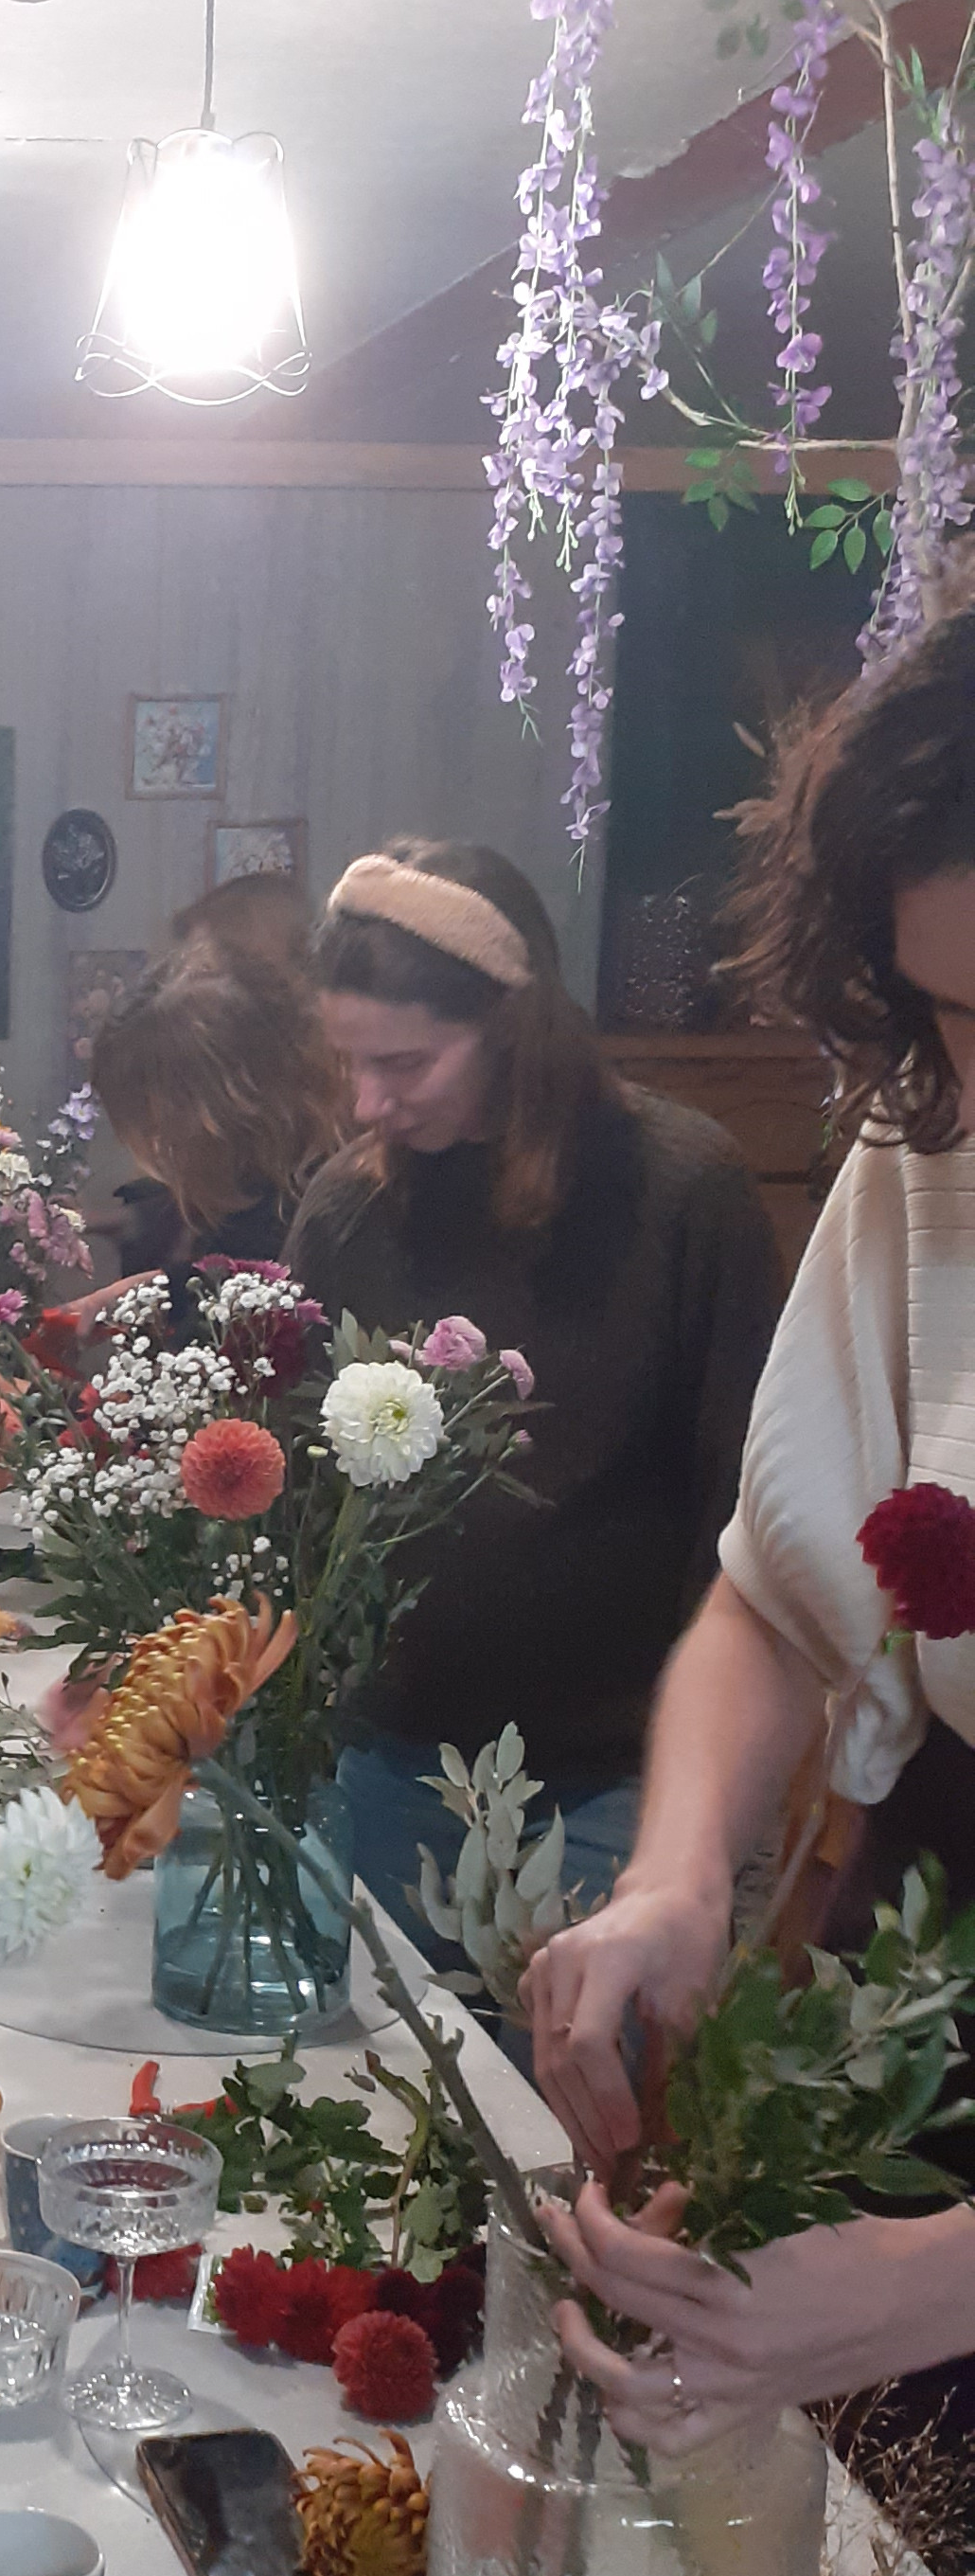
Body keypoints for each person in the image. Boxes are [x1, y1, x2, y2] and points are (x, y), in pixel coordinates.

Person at [527, 610, 975, 2496]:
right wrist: (681, 1875)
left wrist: (935, 2285)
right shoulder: (938, 1136)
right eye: (951, 1015)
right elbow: (776, 1595)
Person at [286, 835, 782, 1957]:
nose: (368, 1104)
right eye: (349, 1063)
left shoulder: (683, 1191)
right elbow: (302, 1503)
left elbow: (745, 1519)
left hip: (607, 1794)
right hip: (382, 1766)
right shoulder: (345, 1213)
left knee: (569, 2128)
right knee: (376, 2119)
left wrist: (691, 1828)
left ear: (517, 1031)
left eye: (406, 1065)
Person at [80, 924, 347, 1302]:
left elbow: (258, 1302)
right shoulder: (254, 1170)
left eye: (161, 1118)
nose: (158, 1140)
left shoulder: (323, 1201)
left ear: (227, 1104)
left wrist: (147, 1291)